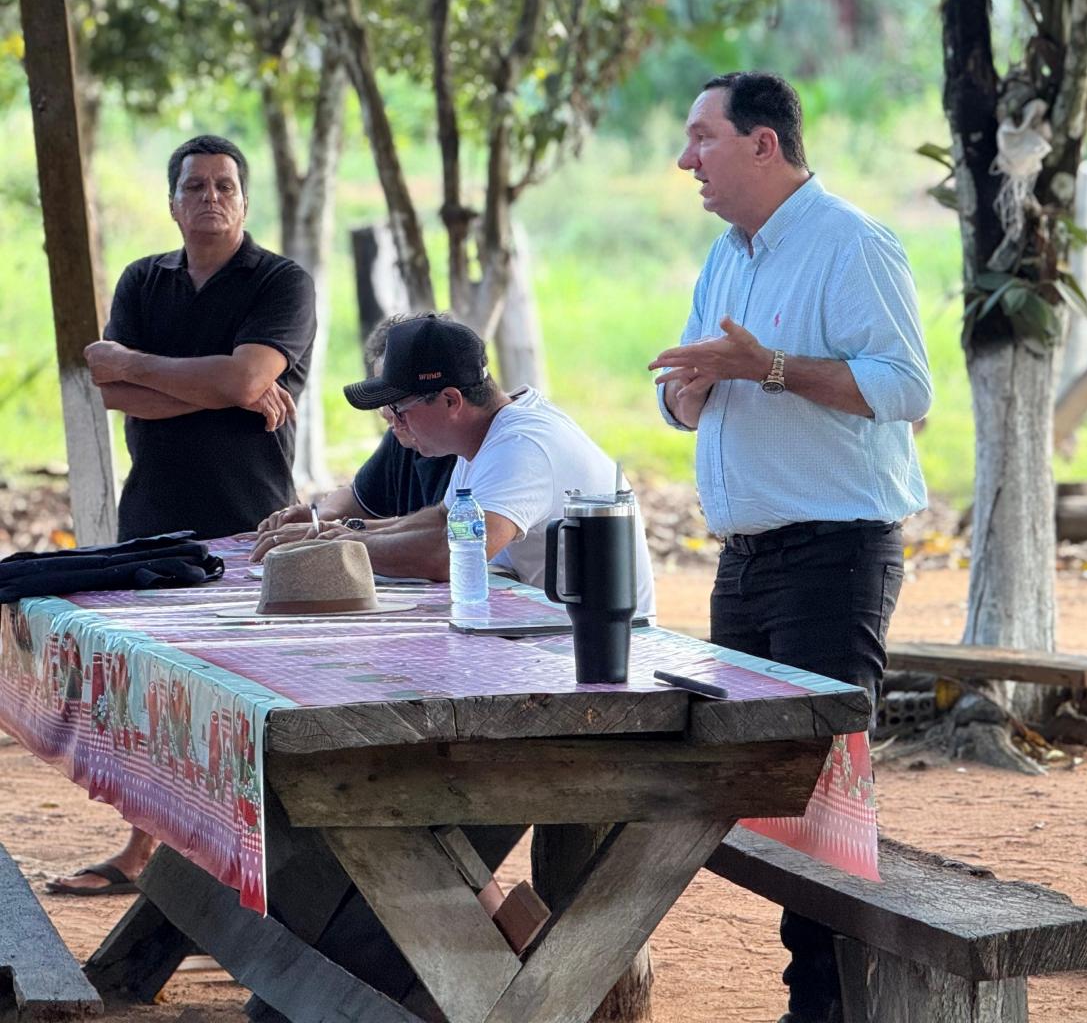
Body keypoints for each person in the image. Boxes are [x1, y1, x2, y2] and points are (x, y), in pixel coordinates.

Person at [649, 71, 931, 1023]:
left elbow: (904, 387)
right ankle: (809, 993)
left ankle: (831, 1005)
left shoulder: (853, 243)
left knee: (824, 792)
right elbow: (691, 372)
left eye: (703, 139)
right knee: (760, 787)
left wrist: (764, 368)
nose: (686, 161)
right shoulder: (727, 257)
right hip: (747, 560)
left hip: (834, 554)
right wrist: (685, 393)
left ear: (764, 145)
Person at [48, 134, 315, 896]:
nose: (211, 197)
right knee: (149, 693)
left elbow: (240, 377)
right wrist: (218, 384)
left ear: (245, 199)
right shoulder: (143, 280)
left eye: (225, 184)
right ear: (173, 204)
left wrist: (139, 364)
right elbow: (112, 392)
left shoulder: (282, 283)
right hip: (154, 516)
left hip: (248, 517)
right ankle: (141, 855)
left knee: (247, 695)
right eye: (194, 186)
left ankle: (254, 877)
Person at [256, 313, 654, 615]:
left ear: (450, 401)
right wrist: (338, 530)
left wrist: (343, 546)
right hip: (550, 630)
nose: (390, 421)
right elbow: (443, 520)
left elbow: (452, 554)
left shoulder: (521, 446)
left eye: (399, 409)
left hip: (587, 650)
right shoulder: (491, 432)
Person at [254, 312, 455, 535]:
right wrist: (318, 515)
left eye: (397, 402)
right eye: (383, 400)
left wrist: (341, 534)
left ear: (450, 401)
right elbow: (358, 498)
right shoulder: (407, 433)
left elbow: (442, 542)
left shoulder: (482, 445)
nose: (387, 414)